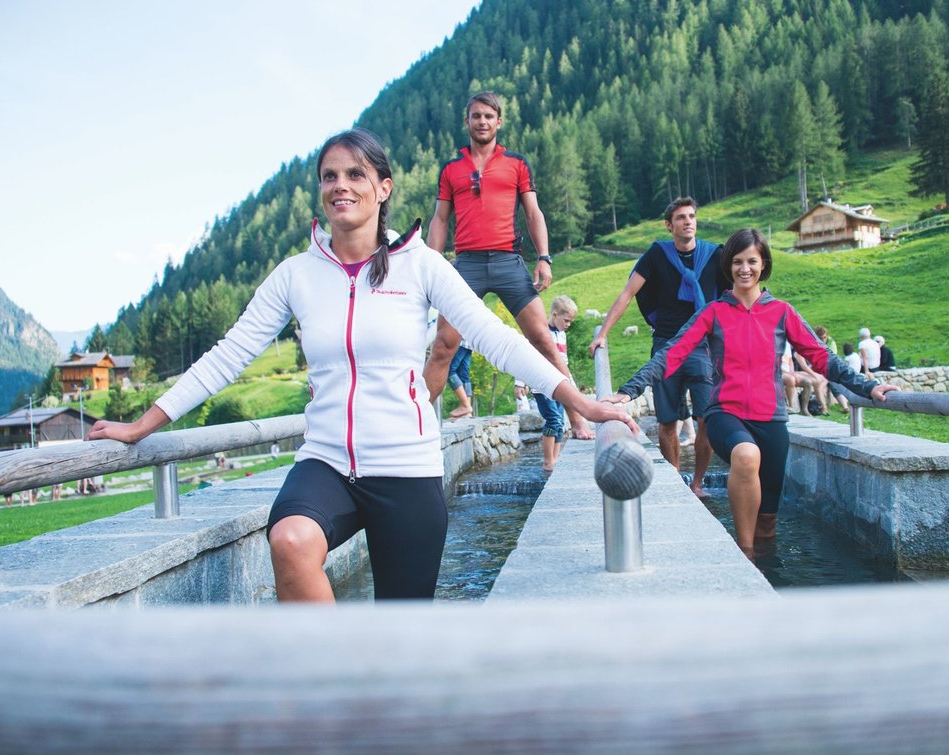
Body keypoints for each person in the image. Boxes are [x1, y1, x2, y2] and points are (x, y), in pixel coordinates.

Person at [87, 129, 636, 603]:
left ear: (383, 188)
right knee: (290, 540)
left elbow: (497, 338)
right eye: (329, 176)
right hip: (327, 462)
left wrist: (578, 400)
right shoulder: (296, 275)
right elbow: (228, 355)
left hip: (406, 467)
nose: (340, 185)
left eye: (355, 173)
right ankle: (337, 692)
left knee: (403, 639)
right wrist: (143, 425)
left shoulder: (421, 266)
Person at [608, 228, 896, 556]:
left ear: (763, 265)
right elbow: (671, 353)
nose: (744, 268)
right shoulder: (713, 312)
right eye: (737, 262)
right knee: (745, 456)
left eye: (752, 261)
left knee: (768, 523)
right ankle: (745, 558)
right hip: (724, 414)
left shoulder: (782, 312)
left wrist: (869, 387)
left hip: (771, 421)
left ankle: (766, 567)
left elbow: (821, 358)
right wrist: (628, 391)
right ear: (727, 266)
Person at [422, 91, 593, 440]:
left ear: (498, 122)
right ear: (466, 121)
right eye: (476, 116)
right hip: (465, 264)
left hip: (508, 261)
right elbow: (440, 220)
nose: (482, 121)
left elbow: (533, 213)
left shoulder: (516, 164)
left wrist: (544, 257)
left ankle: (577, 418)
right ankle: (413, 426)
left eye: (488, 116)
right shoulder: (451, 169)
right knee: (443, 345)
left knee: (544, 341)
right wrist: (428, 264)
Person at [588, 197, 727, 499]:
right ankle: (676, 479)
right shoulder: (657, 255)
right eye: (680, 217)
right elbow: (627, 293)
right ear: (669, 225)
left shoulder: (715, 255)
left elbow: (738, 293)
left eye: (691, 216)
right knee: (667, 421)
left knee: (708, 420)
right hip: (666, 345)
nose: (687, 221)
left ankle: (698, 482)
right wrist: (604, 334)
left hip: (703, 348)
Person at [532, 295, 578, 471]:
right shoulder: (541, 332)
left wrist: (569, 380)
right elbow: (527, 355)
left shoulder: (562, 335)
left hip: (559, 384)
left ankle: (555, 458)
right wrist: (520, 382)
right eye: (566, 320)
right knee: (553, 419)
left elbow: (563, 361)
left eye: (570, 322)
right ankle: (547, 460)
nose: (568, 325)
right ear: (555, 314)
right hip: (542, 385)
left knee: (559, 421)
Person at [447, 346, 474, 419]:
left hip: (460, 342)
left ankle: (465, 406)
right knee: (464, 373)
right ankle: (467, 412)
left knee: (449, 370)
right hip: (468, 343)